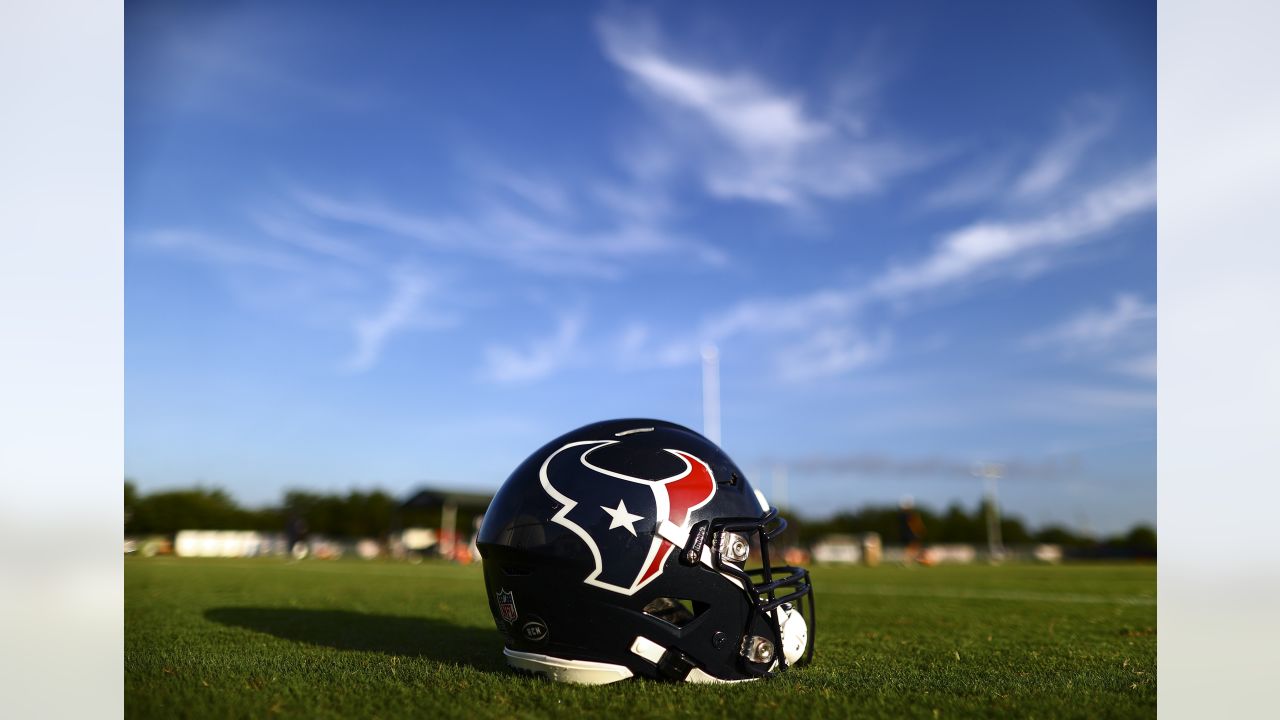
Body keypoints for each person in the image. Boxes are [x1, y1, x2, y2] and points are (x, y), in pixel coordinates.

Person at [898, 496, 927, 565]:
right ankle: (908, 560)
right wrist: (919, 529)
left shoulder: (901, 515)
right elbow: (913, 523)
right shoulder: (910, 514)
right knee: (913, 546)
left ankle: (909, 560)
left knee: (911, 546)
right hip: (910, 533)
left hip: (904, 533)